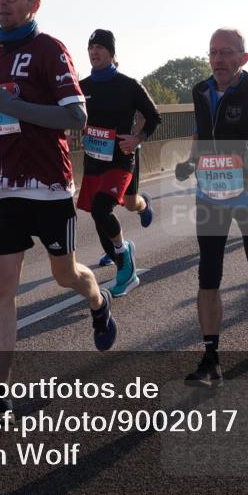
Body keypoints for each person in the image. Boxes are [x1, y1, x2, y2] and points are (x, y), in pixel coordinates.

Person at [0, 0, 116, 419]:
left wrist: (14, 108)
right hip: (5, 186)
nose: (2, 1)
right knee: (1, 289)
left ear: (33, 4)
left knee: (65, 275)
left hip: (49, 190)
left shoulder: (51, 49)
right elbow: (9, 116)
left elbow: (76, 118)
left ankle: (97, 300)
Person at [175, 29, 248, 387]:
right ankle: (211, 358)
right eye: (213, 52)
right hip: (210, 194)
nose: (218, 59)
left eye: (226, 52)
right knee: (208, 273)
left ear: (243, 58)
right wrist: (191, 160)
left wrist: (245, 156)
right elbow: (201, 133)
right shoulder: (200, 91)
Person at [78, 29, 161, 296]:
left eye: (100, 47)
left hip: (121, 159)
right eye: (91, 48)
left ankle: (125, 262)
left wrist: (137, 138)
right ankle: (121, 258)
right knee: (97, 213)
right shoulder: (84, 86)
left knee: (106, 207)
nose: (94, 52)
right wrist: (76, 132)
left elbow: (154, 116)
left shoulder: (129, 85)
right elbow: (74, 116)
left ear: (112, 53)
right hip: (93, 159)